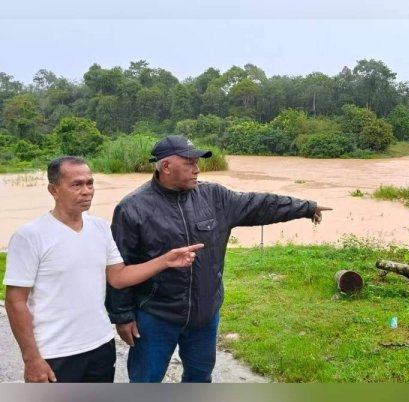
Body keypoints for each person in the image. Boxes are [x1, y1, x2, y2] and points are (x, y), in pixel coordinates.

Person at [106, 135, 332, 383]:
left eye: (197, 162)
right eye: (190, 163)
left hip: (205, 314)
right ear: (167, 166)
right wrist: (122, 316)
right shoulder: (133, 208)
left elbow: (260, 205)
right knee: (146, 382)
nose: (197, 168)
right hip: (155, 315)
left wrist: (306, 207)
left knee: (200, 377)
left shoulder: (214, 197)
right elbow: (118, 266)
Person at [3, 156, 203, 383]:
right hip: (54, 352)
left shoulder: (99, 228)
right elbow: (15, 301)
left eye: (90, 183)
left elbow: (118, 278)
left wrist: (165, 261)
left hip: (100, 346)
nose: (87, 191)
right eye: (76, 185)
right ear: (53, 190)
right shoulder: (30, 236)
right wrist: (31, 359)